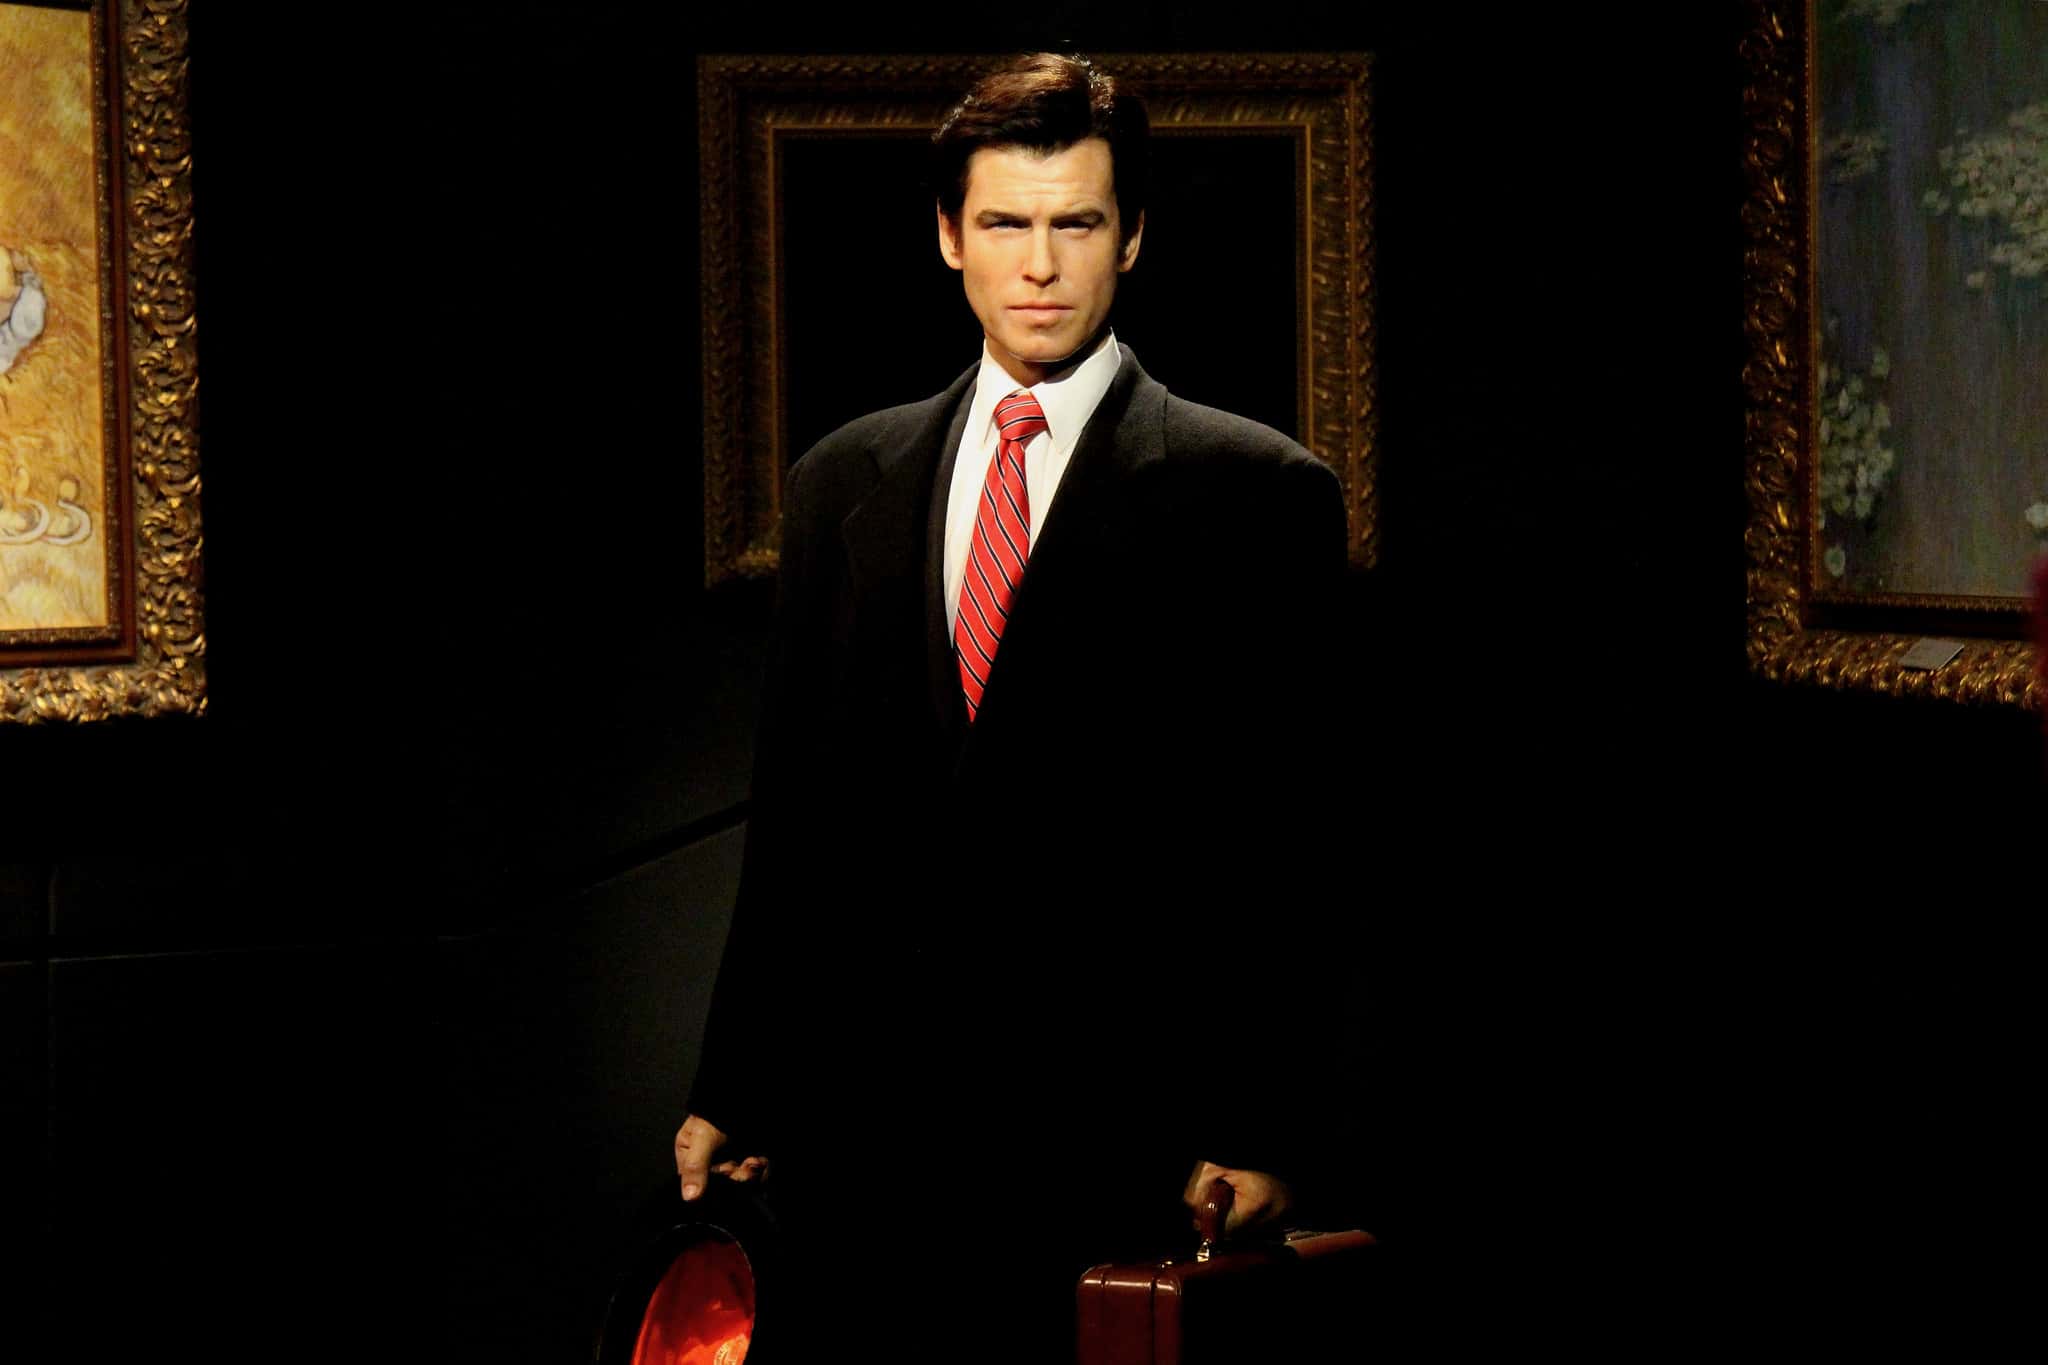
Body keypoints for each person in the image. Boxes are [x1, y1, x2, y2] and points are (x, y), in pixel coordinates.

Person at [675, 52, 1368, 1362]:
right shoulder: (843, 481)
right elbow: (799, 821)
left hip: (1125, 1139)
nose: (1039, 265)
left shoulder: (1257, 494)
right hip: (871, 1142)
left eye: (1077, 224)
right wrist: (736, 1084)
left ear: (1132, 236)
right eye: (1004, 223)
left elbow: (1301, 843)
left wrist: (1269, 1126)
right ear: (949, 236)